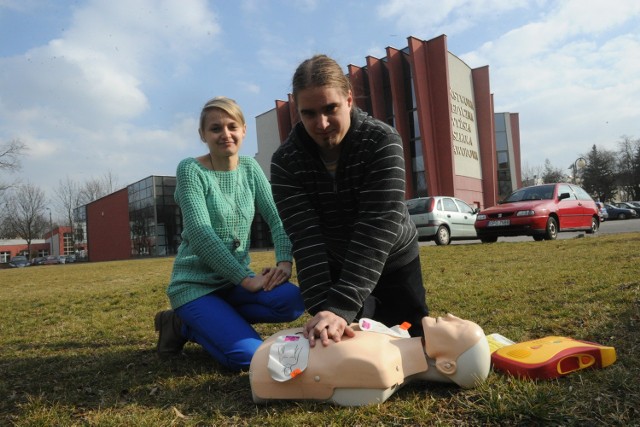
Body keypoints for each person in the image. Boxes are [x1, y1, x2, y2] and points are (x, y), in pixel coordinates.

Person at [270, 54, 429, 348]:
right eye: (309, 113)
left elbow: (377, 225)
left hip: (394, 258)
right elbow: (305, 238)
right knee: (344, 345)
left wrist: (340, 305)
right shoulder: (285, 162)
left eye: (330, 108)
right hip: (332, 264)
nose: (322, 123)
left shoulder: (382, 141)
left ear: (349, 100)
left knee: (412, 341)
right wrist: (325, 310)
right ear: (297, 111)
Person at [155, 96, 305, 371]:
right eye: (215, 129)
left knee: (292, 301)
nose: (225, 134)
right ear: (203, 135)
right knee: (249, 358)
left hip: (232, 286)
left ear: (244, 130)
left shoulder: (250, 168)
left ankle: (218, 320)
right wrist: (245, 279)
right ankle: (180, 324)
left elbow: (277, 216)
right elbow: (201, 235)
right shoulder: (190, 170)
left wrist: (285, 262)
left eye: (232, 126)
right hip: (196, 286)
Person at [250, 314, 491, 406]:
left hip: (266, 361)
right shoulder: (395, 339)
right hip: (274, 348)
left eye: (459, 329)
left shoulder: (381, 370)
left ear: (447, 365)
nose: (451, 316)